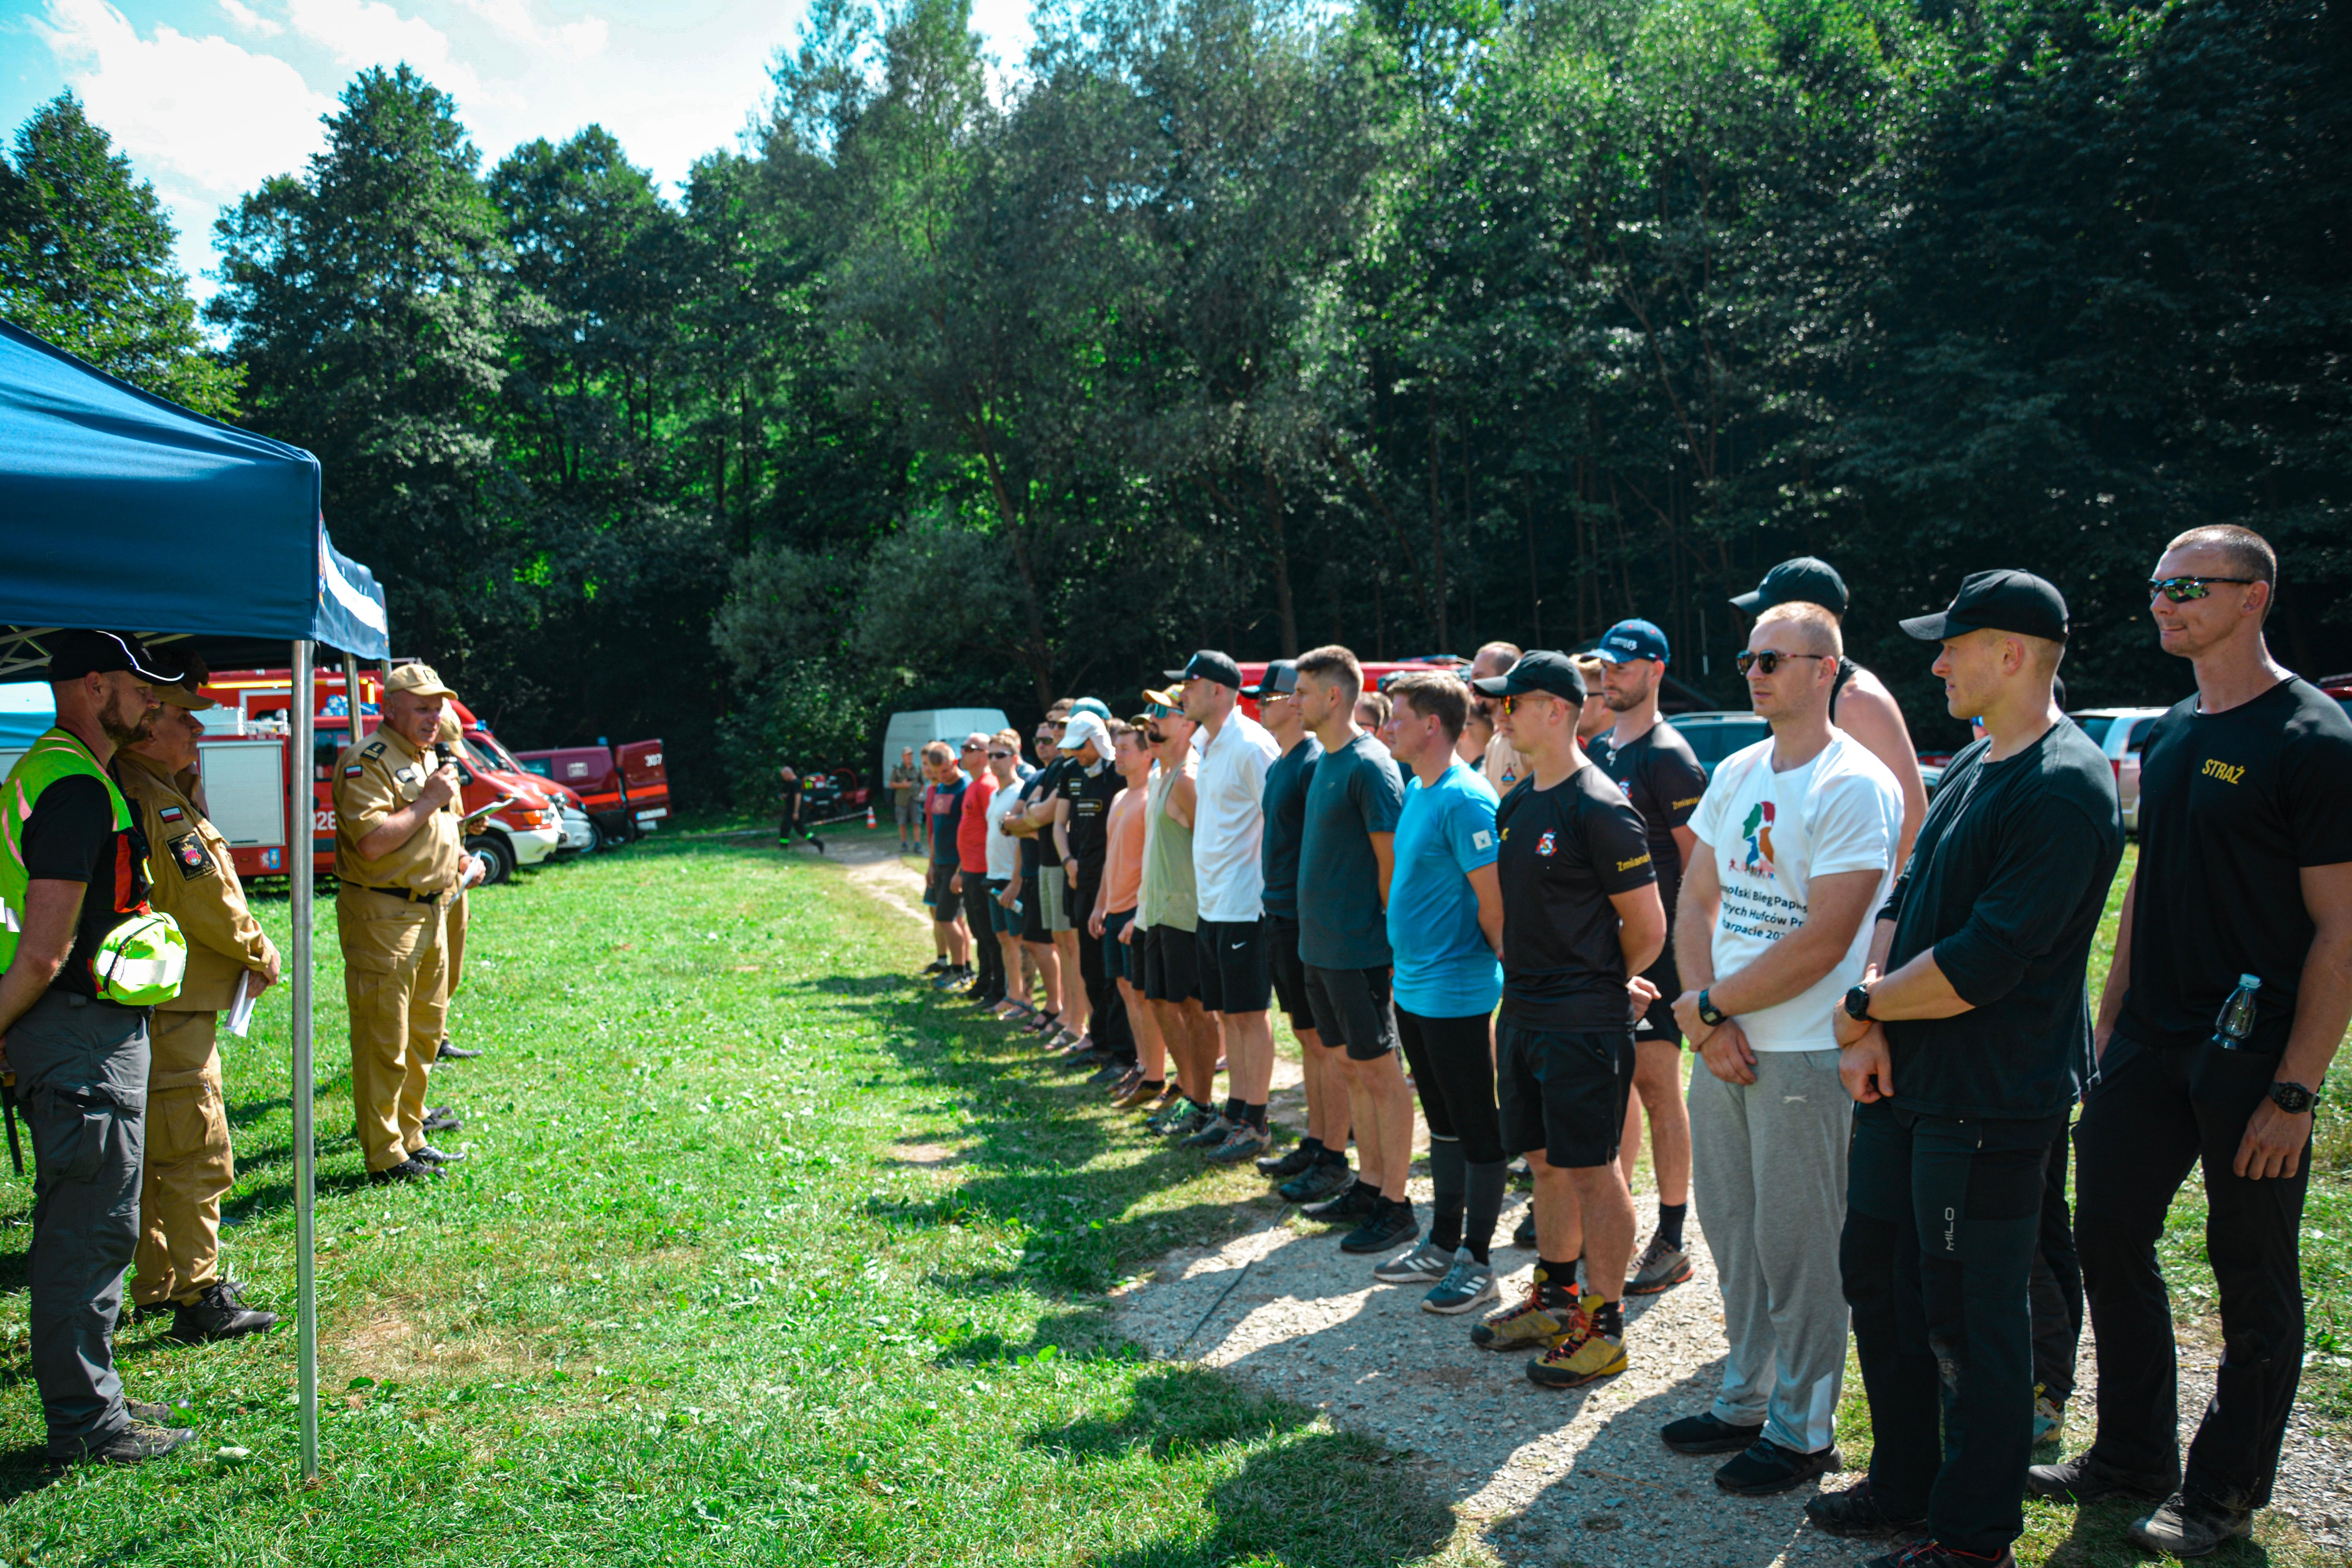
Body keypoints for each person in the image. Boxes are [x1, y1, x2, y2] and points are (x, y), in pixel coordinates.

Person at [2033, 525, 2352, 1556]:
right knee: (2108, 1232)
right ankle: (2133, 1454)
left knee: (2250, 1270)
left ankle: (2224, 1490)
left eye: (2188, 586)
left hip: (2253, 1055)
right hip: (2149, 1042)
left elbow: (2343, 927)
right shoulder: (2170, 732)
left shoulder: (2313, 739)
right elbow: (2148, 886)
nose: (2163, 603)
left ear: (2253, 596)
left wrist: (2296, 1090)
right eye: (2158, 586)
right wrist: (2111, 1018)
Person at [1817, 571, 2123, 1568]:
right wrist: (1869, 1015)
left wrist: (1864, 1008)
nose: (1938, 663)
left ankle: (1972, 1535)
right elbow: (1906, 891)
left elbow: (1983, 964)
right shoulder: (1980, 758)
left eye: (1954, 644)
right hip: (1904, 1081)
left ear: (2014, 653)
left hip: (1987, 1103)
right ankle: (1905, 1483)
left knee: (1969, 1317)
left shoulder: (2065, 786)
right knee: (1881, 1280)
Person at [1664, 602, 1903, 1495]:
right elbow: (1697, 899)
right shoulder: (1736, 770)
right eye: (1748, 659)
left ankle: (1804, 1432)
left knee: (1799, 1246)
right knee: (1733, 1232)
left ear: (1825, 670)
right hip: (1724, 1043)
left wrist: (1710, 1007)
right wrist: (1707, 1021)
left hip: (1802, 1050)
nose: (1755, 672)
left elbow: (1825, 937)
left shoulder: (1856, 782)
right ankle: (1745, 1398)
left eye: (1774, 658)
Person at [0, 630, 196, 1463]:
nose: (153, 699)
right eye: (139, 685)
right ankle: (87, 1423)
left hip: (71, 1027)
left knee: (93, 1223)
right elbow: (44, 953)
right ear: (92, 687)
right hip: (76, 1033)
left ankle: (95, 1390)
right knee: (89, 1231)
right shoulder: (76, 787)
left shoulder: (56, 770)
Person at [1465, 651, 1664, 1392]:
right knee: (1545, 1161)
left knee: (1591, 1169)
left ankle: (1604, 1328)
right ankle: (1555, 1298)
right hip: (1524, 1010)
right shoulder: (1518, 803)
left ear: (1554, 710)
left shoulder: (1600, 805)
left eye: (1511, 703)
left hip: (1581, 1022)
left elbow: (1648, 927)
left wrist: (1601, 982)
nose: (1499, 715)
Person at [112, 671, 281, 1343]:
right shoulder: (159, 804)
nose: (198, 728)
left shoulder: (149, 788)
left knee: (155, 1150)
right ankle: (201, 1295)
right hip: (173, 1005)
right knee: (194, 1148)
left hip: (148, 1001)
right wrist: (258, 949)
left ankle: (158, 1281)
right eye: (184, 718)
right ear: (147, 731)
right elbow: (204, 895)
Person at [1375, 670, 1508, 1313]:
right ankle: (1443, 1242)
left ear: (1433, 725)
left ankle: (1478, 1262)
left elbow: (1496, 905)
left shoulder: (1467, 800)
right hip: (1414, 990)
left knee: (1477, 1128)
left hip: (1457, 992)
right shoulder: (1417, 789)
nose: (1387, 728)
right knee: (1445, 1124)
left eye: (1397, 716)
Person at [334, 661, 488, 1187]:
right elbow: (372, 842)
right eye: (422, 707)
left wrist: (461, 861)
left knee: (424, 1033)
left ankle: (411, 1134)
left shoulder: (427, 758)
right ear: (390, 708)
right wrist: (428, 801)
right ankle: (384, 1154)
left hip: (433, 908)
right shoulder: (367, 761)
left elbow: (434, 833)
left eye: (438, 707)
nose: (433, 717)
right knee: (385, 1039)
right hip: (384, 916)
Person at [1592, 618, 1708, 1294]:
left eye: (1625, 666)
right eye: (1607, 666)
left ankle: (1673, 1236)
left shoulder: (1670, 758)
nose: (1612, 677)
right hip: (1606, 952)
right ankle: (1618, 1221)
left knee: (1658, 1088)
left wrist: (1684, 965)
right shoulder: (1601, 750)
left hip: (1656, 956)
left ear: (1657, 670)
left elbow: (1700, 872)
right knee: (1614, 1084)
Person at [1292, 646, 1417, 1254]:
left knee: (1380, 1075)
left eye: (1302, 691)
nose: (1294, 701)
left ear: (1333, 696)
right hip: (1321, 949)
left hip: (1360, 951)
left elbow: (1391, 867)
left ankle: (1397, 1203)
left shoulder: (1371, 765)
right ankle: (1368, 1187)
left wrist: (1391, 950)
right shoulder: (1326, 761)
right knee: (1350, 1068)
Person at [1731, 557, 1929, 865]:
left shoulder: (1858, 699)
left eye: (1769, 613)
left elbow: (1912, 824)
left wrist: (1889, 898)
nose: (1760, 623)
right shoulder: (1796, 697)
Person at [1245, 661, 1353, 1203]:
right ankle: (1316, 1141)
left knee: (1325, 1043)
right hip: (1281, 913)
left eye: (1268, 698)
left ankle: (1334, 1156)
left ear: (1295, 702)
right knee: (1308, 1037)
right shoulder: (1282, 764)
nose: (1260, 706)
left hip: (1304, 916)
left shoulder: (1311, 763)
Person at [1172, 650, 1283, 1163]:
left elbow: (1278, 821)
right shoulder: (1208, 744)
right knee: (1228, 1015)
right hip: (1213, 903)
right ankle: (1235, 1111)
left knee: (1249, 1015)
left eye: (1190, 683)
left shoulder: (1252, 744)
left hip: (1245, 904)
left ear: (1218, 690)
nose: (1182, 693)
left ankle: (1255, 1122)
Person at [1136, 691, 1224, 1134]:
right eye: (1149, 715)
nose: (1150, 722)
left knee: (1195, 1008)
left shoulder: (1188, 779)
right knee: (1160, 1001)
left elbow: (1213, 847)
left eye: (1161, 713)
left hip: (1187, 914)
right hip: (1158, 913)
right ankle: (1189, 1091)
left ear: (1188, 724)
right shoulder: (1162, 776)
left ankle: (1202, 1102)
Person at [1091, 720, 1168, 1106]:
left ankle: (1156, 1074)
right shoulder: (1121, 797)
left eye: (1125, 749)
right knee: (1127, 992)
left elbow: (1154, 861)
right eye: (1116, 748)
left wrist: (1139, 914)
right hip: (1115, 909)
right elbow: (1112, 857)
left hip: (1138, 911)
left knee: (1144, 997)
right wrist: (1100, 905)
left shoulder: (1151, 798)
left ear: (1147, 753)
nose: (1117, 756)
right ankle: (1142, 1067)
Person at [1053, 710, 1132, 1080]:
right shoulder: (1071, 772)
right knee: (1090, 969)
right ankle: (1099, 1043)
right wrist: (1067, 861)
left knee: (1113, 973)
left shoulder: (1119, 774)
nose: (1075, 755)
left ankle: (1123, 1052)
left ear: (1095, 742)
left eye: (1080, 747)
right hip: (1081, 882)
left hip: (1113, 885)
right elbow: (1060, 823)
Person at [1005, 711, 1069, 1041]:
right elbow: (1014, 822)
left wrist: (1029, 821)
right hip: (1037, 868)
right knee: (1040, 940)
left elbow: (1037, 817)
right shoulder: (1041, 775)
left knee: (1058, 944)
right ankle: (1058, 1007)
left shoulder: (1063, 770)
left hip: (1055, 866)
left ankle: (1061, 1009)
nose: (1047, 741)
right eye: (1041, 738)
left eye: (1054, 733)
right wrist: (1029, 821)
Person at [432, 712, 483, 1063]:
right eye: (444, 752)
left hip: (456, 880)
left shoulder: (449, 778)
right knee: (432, 969)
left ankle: (439, 1036)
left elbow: (451, 826)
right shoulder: (420, 780)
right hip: (432, 884)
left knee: (452, 968)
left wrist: (472, 826)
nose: (448, 759)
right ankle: (425, 1042)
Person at [980, 731, 1029, 1018]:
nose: (994, 761)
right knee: (1003, 938)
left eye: (1000, 755)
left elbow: (1024, 840)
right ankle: (1013, 995)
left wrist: (1016, 880)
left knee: (1019, 940)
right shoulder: (995, 794)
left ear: (1015, 758)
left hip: (1013, 879)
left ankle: (1026, 1000)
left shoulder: (1021, 792)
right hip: (995, 877)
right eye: (991, 755)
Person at [950, 735, 1001, 1005]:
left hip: (985, 871)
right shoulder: (974, 785)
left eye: (969, 749)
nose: (963, 753)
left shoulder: (987, 786)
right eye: (963, 748)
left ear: (984, 755)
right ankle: (984, 982)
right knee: (979, 931)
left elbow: (996, 830)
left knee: (990, 934)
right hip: (971, 870)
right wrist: (961, 870)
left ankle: (996, 987)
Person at [919, 743, 972, 989]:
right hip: (940, 863)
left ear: (955, 762)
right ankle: (962, 967)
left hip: (955, 865)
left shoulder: (965, 788)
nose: (943, 776)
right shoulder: (940, 787)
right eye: (937, 772)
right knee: (950, 919)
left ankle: (960, 970)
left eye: (946, 770)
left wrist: (960, 871)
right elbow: (936, 832)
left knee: (947, 919)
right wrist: (931, 865)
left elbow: (968, 834)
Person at [891, 746, 922, 853]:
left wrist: (921, 794)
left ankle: (917, 845)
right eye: (908, 755)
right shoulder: (898, 769)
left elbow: (922, 783)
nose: (910, 757)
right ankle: (904, 844)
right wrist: (902, 785)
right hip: (902, 800)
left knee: (917, 823)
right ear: (903, 757)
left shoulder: (917, 768)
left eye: (911, 755)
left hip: (914, 799)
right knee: (902, 823)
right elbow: (891, 784)